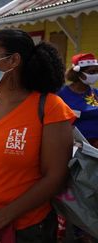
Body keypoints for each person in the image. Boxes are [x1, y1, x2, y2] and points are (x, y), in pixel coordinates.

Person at [0, 29, 76, 243]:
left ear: (13, 60)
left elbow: (55, 177)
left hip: (28, 229)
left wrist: (0, 219)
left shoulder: (50, 107)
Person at [57, 53, 98, 242]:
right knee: (75, 190)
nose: (94, 75)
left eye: (96, 71)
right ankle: (71, 228)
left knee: (90, 190)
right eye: (91, 71)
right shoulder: (62, 95)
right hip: (73, 150)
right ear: (78, 72)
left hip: (94, 152)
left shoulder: (94, 94)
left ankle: (89, 229)